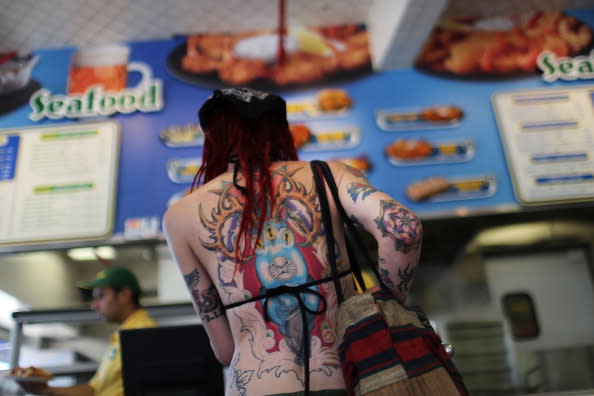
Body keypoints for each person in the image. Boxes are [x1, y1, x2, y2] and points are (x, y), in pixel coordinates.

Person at [162, 87, 423, 396]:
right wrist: (389, 303)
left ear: (212, 138)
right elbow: (403, 229)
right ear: (280, 131)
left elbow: (224, 350)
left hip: (256, 383)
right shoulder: (330, 176)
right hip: (347, 375)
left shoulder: (180, 215)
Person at [11, 266, 158, 396]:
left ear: (124, 295)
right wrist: (46, 390)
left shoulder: (142, 333)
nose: (94, 305)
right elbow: (94, 389)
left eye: (101, 296)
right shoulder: (121, 336)